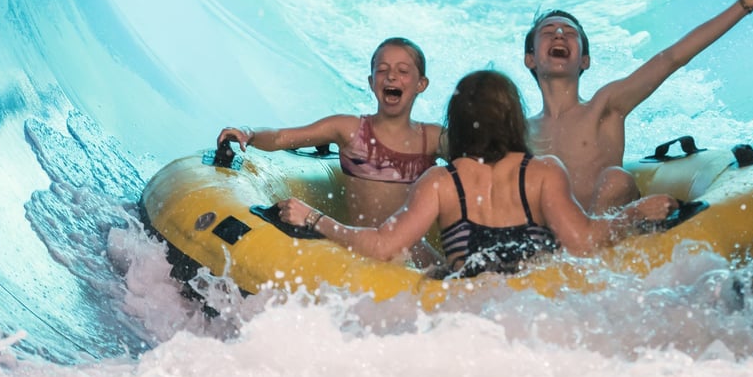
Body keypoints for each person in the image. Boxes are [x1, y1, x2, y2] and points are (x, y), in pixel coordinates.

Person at [275, 70, 676, 277]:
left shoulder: (440, 181)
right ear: (514, 119)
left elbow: (382, 245)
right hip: (536, 295)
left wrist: (315, 219)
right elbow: (584, 241)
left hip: (467, 303)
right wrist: (635, 214)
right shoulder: (543, 172)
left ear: (459, 122)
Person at [523, 0, 753, 214]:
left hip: (610, 229)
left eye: (569, 33)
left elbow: (671, 58)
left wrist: (744, 4)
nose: (559, 34)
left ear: (585, 60)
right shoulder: (519, 131)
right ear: (530, 58)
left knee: (616, 179)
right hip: (554, 244)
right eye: (548, 32)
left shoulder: (604, 106)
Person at [218, 37, 443, 231]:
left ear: (421, 84)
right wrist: (250, 134)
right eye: (382, 70)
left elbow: (474, 162)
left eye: (402, 71)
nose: (391, 77)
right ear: (371, 81)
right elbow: (281, 137)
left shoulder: (432, 138)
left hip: (414, 255)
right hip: (361, 245)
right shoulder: (349, 129)